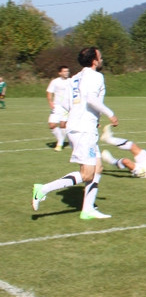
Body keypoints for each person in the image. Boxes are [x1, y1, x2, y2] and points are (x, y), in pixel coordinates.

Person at [31, 47, 118, 220]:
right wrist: (110, 114)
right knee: (87, 174)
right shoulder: (96, 76)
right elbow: (92, 99)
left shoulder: (74, 79)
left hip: (80, 126)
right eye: (100, 56)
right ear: (94, 60)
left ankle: (88, 209)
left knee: (97, 168)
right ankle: (42, 189)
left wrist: (84, 117)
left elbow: (67, 103)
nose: (101, 59)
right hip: (83, 130)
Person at [46, 65, 71, 151]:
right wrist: (50, 102)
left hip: (67, 107)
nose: (66, 73)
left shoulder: (71, 81)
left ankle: (60, 143)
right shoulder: (55, 82)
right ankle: (61, 140)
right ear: (60, 73)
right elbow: (49, 92)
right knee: (52, 124)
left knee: (63, 125)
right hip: (57, 106)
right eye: (64, 71)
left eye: (67, 71)